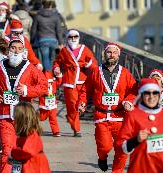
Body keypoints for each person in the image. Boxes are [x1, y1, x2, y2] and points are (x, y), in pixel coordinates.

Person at [0, 36, 47, 173]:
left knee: (26, 151)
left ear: (24, 51)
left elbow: (44, 86)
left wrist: (27, 90)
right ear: (8, 50)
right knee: (7, 151)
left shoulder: (30, 68)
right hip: (5, 116)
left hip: (24, 118)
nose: (16, 51)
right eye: (13, 48)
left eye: (20, 49)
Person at [78, 43, 137, 172]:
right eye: (109, 52)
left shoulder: (125, 73)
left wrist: (128, 101)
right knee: (105, 146)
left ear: (118, 55)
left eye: (114, 53)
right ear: (104, 54)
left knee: (122, 148)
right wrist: (82, 102)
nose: (111, 55)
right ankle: (102, 157)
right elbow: (85, 89)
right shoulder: (95, 71)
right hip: (101, 116)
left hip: (120, 117)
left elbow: (134, 91)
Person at [53, 29, 97, 137]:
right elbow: (56, 62)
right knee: (72, 106)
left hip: (83, 81)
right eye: (70, 37)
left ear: (78, 37)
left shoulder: (85, 49)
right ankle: (76, 129)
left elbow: (94, 63)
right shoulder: (64, 51)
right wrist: (56, 69)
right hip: (69, 82)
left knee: (81, 103)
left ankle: (75, 117)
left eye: (75, 37)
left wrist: (88, 65)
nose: (73, 39)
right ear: (67, 38)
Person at [116, 78, 163, 172]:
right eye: (147, 93)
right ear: (141, 95)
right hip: (140, 167)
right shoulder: (133, 115)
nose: (151, 97)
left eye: (155, 93)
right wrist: (135, 140)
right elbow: (120, 145)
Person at [9, 102, 51, 173]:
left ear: (21, 120)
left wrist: (14, 153)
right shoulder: (26, 134)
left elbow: (27, 151)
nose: (13, 120)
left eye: (15, 118)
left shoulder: (32, 134)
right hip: (29, 165)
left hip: (34, 166)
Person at [31, 0, 64, 71]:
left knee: (45, 58)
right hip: (53, 40)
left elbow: (33, 30)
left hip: (42, 40)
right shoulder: (56, 16)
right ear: (50, 7)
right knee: (53, 58)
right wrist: (61, 42)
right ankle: (53, 74)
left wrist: (32, 40)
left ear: (43, 6)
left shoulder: (37, 16)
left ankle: (48, 74)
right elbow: (59, 31)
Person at [38, 70, 62, 137]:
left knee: (53, 118)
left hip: (52, 105)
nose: (48, 84)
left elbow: (59, 82)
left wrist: (59, 75)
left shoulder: (53, 84)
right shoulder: (41, 86)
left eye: (50, 82)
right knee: (42, 118)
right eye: (47, 82)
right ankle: (33, 122)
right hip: (44, 105)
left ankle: (56, 131)